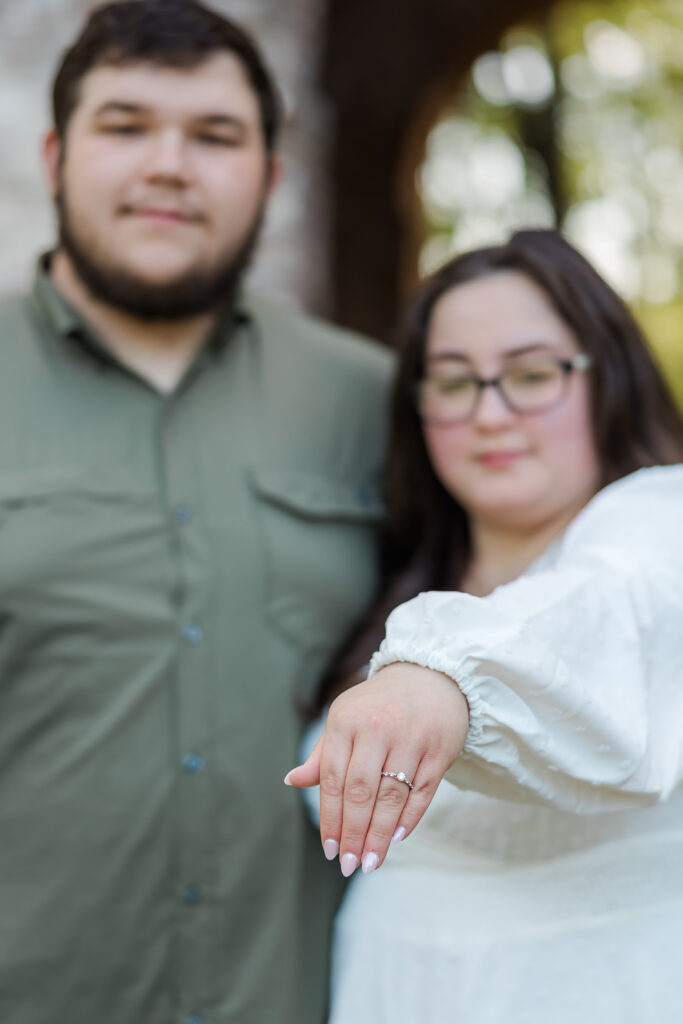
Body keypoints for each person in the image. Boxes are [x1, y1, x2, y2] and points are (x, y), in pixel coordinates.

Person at [0, 3, 392, 1023]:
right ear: (54, 158)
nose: (168, 166)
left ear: (270, 175)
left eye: (214, 135)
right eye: (125, 126)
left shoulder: (378, 404)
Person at [286, 230, 683, 1023]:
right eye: (452, 382)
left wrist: (441, 680)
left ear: (608, 379)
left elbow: (610, 614)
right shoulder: (389, 587)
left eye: (531, 375)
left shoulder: (658, 528)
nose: (490, 414)